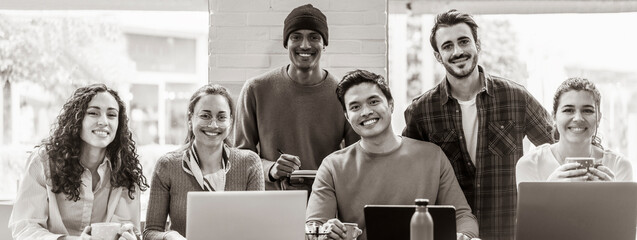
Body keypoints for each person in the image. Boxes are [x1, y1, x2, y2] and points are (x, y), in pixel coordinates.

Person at [402, 9, 554, 239]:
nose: (458, 51)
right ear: (437, 56)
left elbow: (557, 146)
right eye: (447, 46)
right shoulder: (421, 111)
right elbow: (407, 171)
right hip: (451, 233)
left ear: (477, 45)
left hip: (507, 230)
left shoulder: (515, 98)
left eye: (464, 41)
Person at [306, 70, 479, 240]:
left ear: (390, 105)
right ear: (347, 116)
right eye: (355, 107)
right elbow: (314, 225)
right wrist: (323, 232)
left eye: (373, 101)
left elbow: (463, 216)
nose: (365, 112)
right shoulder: (332, 166)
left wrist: (464, 236)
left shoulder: (433, 156)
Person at [234, 3, 359, 190]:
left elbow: (357, 158)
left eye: (314, 37)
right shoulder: (255, 89)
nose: (305, 45)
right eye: (296, 37)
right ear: (286, 43)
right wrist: (271, 169)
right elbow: (241, 157)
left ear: (324, 43)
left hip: (327, 204)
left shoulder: (345, 94)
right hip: (271, 205)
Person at [9, 84, 148, 240]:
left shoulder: (125, 171)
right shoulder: (43, 162)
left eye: (111, 115)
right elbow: (25, 228)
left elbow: (126, 225)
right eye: (93, 113)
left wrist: (128, 235)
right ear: (77, 119)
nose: (103, 121)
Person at [143, 84, 264, 240]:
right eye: (205, 116)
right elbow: (150, 232)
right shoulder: (167, 166)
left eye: (221, 117)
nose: (213, 125)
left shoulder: (249, 163)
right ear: (190, 119)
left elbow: (258, 229)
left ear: (231, 121)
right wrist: (168, 236)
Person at [516, 77, 632, 183]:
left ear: (598, 118)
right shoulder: (530, 164)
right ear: (554, 117)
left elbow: (625, 206)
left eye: (587, 110)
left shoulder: (619, 166)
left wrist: (615, 194)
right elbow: (530, 207)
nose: (578, 118)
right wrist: (549, 190)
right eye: (568, 110)